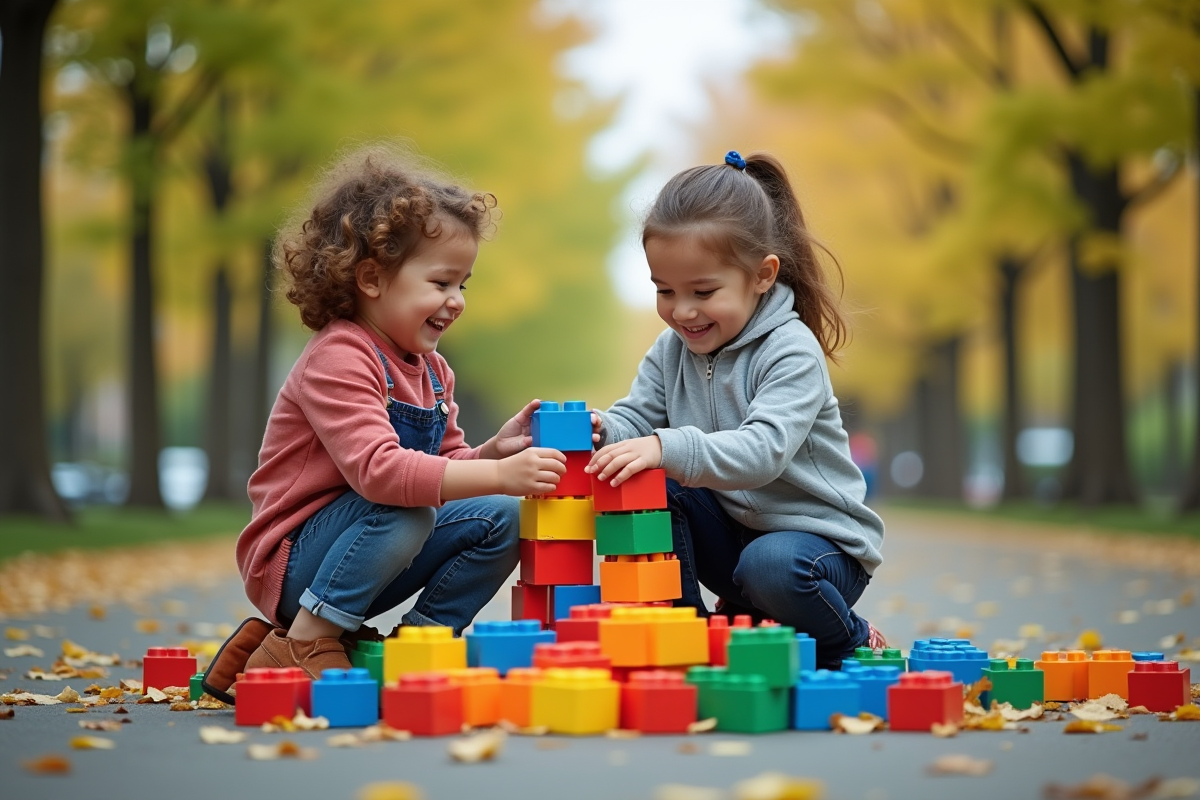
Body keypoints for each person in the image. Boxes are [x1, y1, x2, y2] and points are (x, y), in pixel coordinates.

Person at [203, 144, 570, 701]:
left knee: (499, 517)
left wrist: (494, 455)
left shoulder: (432, 370)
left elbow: (445, 470)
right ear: (372, 278)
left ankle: (416, 649)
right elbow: (382, 473)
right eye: (441, 283)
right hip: (297, 560)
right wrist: (499, 474)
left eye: (463, 285)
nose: (457, 301)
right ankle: (302, 640)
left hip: (370, 548)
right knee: (406, 503)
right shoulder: (339, 356)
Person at [586, 150, 885, 668]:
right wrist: (605, 430)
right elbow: (639, 418)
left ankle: (849, 638)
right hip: (734, 544)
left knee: (770, 565)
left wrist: (665, 446)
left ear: (762, 275)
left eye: (703, 291)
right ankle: (688, 637)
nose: (682, 311)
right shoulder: (671, 349)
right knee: (651, 480)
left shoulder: (791, 350)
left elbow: (763, 451)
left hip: (815, 551)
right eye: (665, 291)